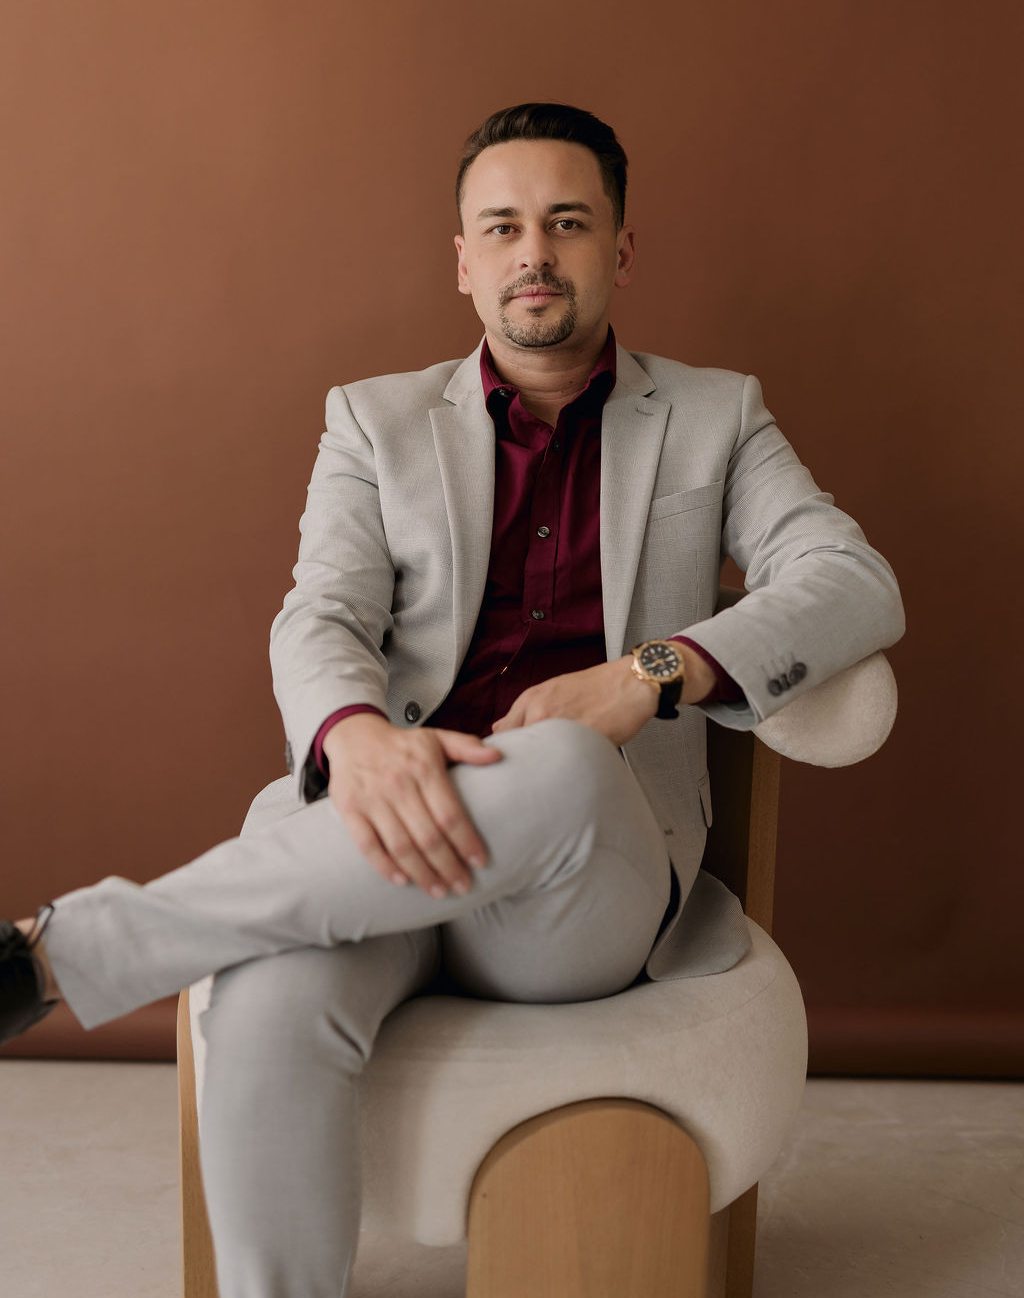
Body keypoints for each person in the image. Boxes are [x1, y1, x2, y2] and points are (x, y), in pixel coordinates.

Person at [1, 102, 904, 1297]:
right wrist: (357, 735)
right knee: (269, 994)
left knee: (566, 766)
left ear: (618, 251)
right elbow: (319, 614)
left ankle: (58, 958)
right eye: (504, 226)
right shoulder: (371, 421)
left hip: (583, 887)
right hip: (388, 837)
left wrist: (645, 678)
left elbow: (853, 581)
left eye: (566, 223)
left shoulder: (715, 414)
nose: (534, 252)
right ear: (464, 262)